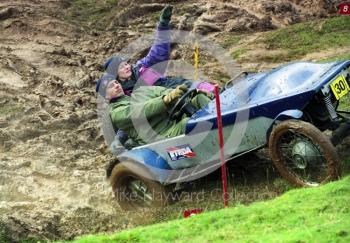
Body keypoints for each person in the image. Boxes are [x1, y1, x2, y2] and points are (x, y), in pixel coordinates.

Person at [95, 5, 215, 97]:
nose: (126, 67)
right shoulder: (121, 92)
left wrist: (163, 25)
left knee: (204, 87)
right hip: (167, 104)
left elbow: (158, 50)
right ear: (115, 73)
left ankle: (219, 96)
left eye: (126, 64)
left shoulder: (142, 67)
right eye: (121, 67)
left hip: (176, 86)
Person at [100, 78, 211, 146]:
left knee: (199, 98)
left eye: (116, 82)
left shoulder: (140, 92)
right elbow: (141, 110)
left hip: (173, 121)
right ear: (105, 96)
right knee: (190, 122)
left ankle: (221, 119)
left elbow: (164, 91)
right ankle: (217, 141)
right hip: (161, 138)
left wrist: (189, 91)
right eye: (111, 86)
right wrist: (166, 99)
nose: (117, 85)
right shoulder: (116, 113)